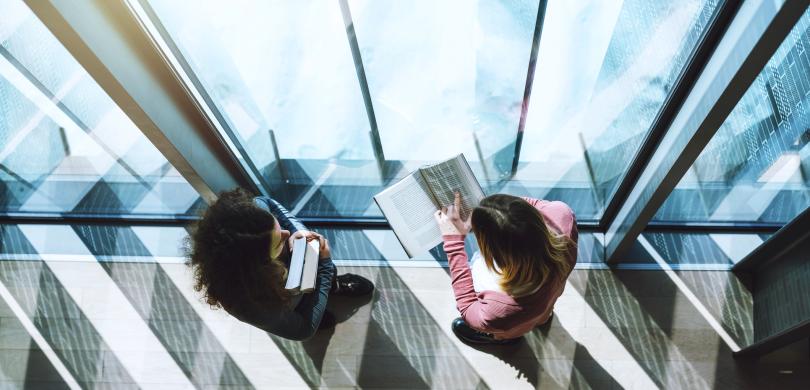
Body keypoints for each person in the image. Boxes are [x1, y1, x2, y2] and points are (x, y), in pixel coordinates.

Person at [186, 188, 374, 341]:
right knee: (309, 314)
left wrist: (298, 231)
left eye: (278, 228)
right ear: (257, 262)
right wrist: (324, 264)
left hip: (288, 275)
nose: (286, 234)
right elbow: (302, 330)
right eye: (277, 242)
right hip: (284, 301)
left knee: (316, 274)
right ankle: (318, 305)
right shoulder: (245, 303)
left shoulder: (253, 221)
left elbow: (265, 202)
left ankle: (331, 288)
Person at [434, 192, 578, 344]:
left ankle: (502, 339)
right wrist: (494, 211)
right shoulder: (561, 214)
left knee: (508, 329)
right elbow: (525, 207)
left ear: (496, 250)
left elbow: (468, 308)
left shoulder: (501, 308)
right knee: (543, 312)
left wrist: (453, 242)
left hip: (512, 321)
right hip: (550, 294)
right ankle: (544, 319)